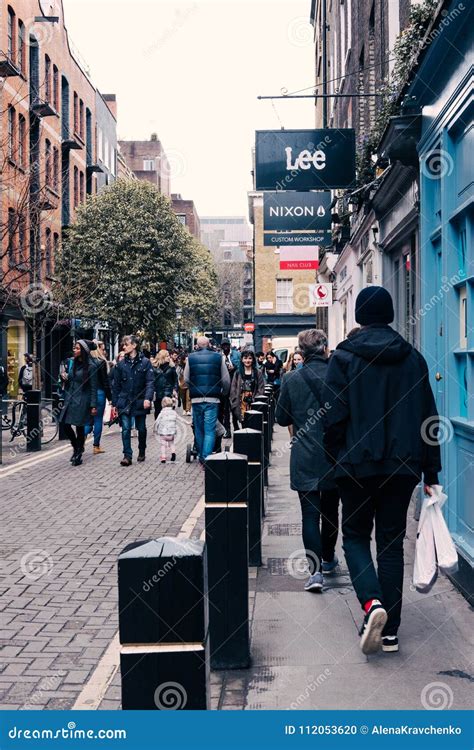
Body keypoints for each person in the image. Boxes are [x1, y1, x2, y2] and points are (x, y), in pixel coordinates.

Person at [322, 286, 441, 655]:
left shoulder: (342, 360)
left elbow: (332, 419)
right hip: (402, 467)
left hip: (355, 466)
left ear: (359, 315)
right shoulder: (413, 359)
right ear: (389, 314)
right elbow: (429, 421)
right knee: (391, 543)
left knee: (355, 537)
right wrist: (431, 474)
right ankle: (390, 633)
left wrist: (334, 457)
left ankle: (372, 603)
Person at [276, 330, 339, 593]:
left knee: (310, 516)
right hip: (335, 454)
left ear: (301, 350)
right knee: (331, 511)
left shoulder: (291, 378)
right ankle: (327, 558)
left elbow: (281, 418)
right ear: (325, 349)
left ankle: (314, 574)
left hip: (304, 454)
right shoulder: (339, 376)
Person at [184, 335, 230, 467]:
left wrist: (194, 387)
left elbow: (186, 379)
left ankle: (201, 455)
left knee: (199, 428)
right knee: (210, 429)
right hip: (213, 399)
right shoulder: (218, 357)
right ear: (209, 344)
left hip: (196, 399)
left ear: (197, 345)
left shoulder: (191, 358)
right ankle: (206, 457)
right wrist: (224, 392)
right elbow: (226, 379)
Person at [111, 335, 154, 466]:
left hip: (139, 401)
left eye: (126, 344)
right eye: (123, 345)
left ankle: (142, 450)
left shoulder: (145, 362)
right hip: (124, 401)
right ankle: (127, 456)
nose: (123, 347)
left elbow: (150, 382)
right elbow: (116, 385)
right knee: (125, 429)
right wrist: (114, 403)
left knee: (141, 429)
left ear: (134, 345)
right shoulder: (120, 364)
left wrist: (148, 398)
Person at [59, 340, 97, 466]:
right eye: (74, 348)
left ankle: (78, 454)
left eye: (77, 348)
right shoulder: (73, 363)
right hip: (70, 398)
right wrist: (65, 377)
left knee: (80, 427)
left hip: (83, 400)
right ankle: (77, 447)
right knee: (64, 424)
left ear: (84, 351)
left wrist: (93, 405)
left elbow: (93, 387)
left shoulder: (91, 366)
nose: (74, 350)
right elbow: (71, 380)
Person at [84, 340, 112, 455]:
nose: (104, 351)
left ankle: (81, 441)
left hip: (88, 394)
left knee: (87, 420)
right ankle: (96, 446)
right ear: (97, 349)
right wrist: (110, 398)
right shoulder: (101, 363)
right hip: (100, 393)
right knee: (98, 420)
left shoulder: (86, 362)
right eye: (103, 349)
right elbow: (105, 382)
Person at [230, 349, 265, 426]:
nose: (247, 360)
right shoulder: (238, 373)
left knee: (253, 424)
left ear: (253, 360)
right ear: (242, 360)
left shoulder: (257, 372)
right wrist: (234, 402)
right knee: (244, 423)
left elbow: (261, 388)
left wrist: (256, 400)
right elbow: (233, 389)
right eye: (245, 358)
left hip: (253, 401)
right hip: (241, 401)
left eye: (250, 358)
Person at [220, 339, 240, 437]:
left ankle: (236, 427)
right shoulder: (219, 356)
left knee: (235, 406)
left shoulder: (236, 354)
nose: (225, 347)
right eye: (223, 345)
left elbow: (241, 366)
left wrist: (234, 367)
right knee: (225, 409)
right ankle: (227, 429)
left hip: (234, 382)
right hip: (224, 384)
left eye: (227, 345)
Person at [151, 350, 178, 419]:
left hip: (168, 393)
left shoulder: (171, 367)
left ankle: (168, 427)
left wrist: (175, 390)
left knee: (168, 412)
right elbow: (151, 381)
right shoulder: (154, 368)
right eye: (167, 356)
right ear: (162, 357)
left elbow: (175, 380)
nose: (169, 357)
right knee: (158, 411)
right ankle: (158, 427)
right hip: (157, 393)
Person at [154, 396, 177, 463]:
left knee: (163, 445)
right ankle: (173, 453)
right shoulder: (174, 412)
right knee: (172, 443)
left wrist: (155, 429)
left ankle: (163, 457)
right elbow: (179, 419)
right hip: (171, 433)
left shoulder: (161, 413)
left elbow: (157, 421)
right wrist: (188, 422)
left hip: (163, 433)